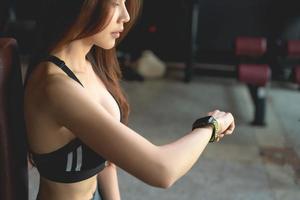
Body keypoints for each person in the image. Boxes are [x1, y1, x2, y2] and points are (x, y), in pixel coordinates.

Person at [24, 0, 236, 199]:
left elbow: (106, 159)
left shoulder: (88, 63)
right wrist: (211, 126)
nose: (125, 16)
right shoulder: (55, 87)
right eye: (116, 3)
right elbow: (162, 170)